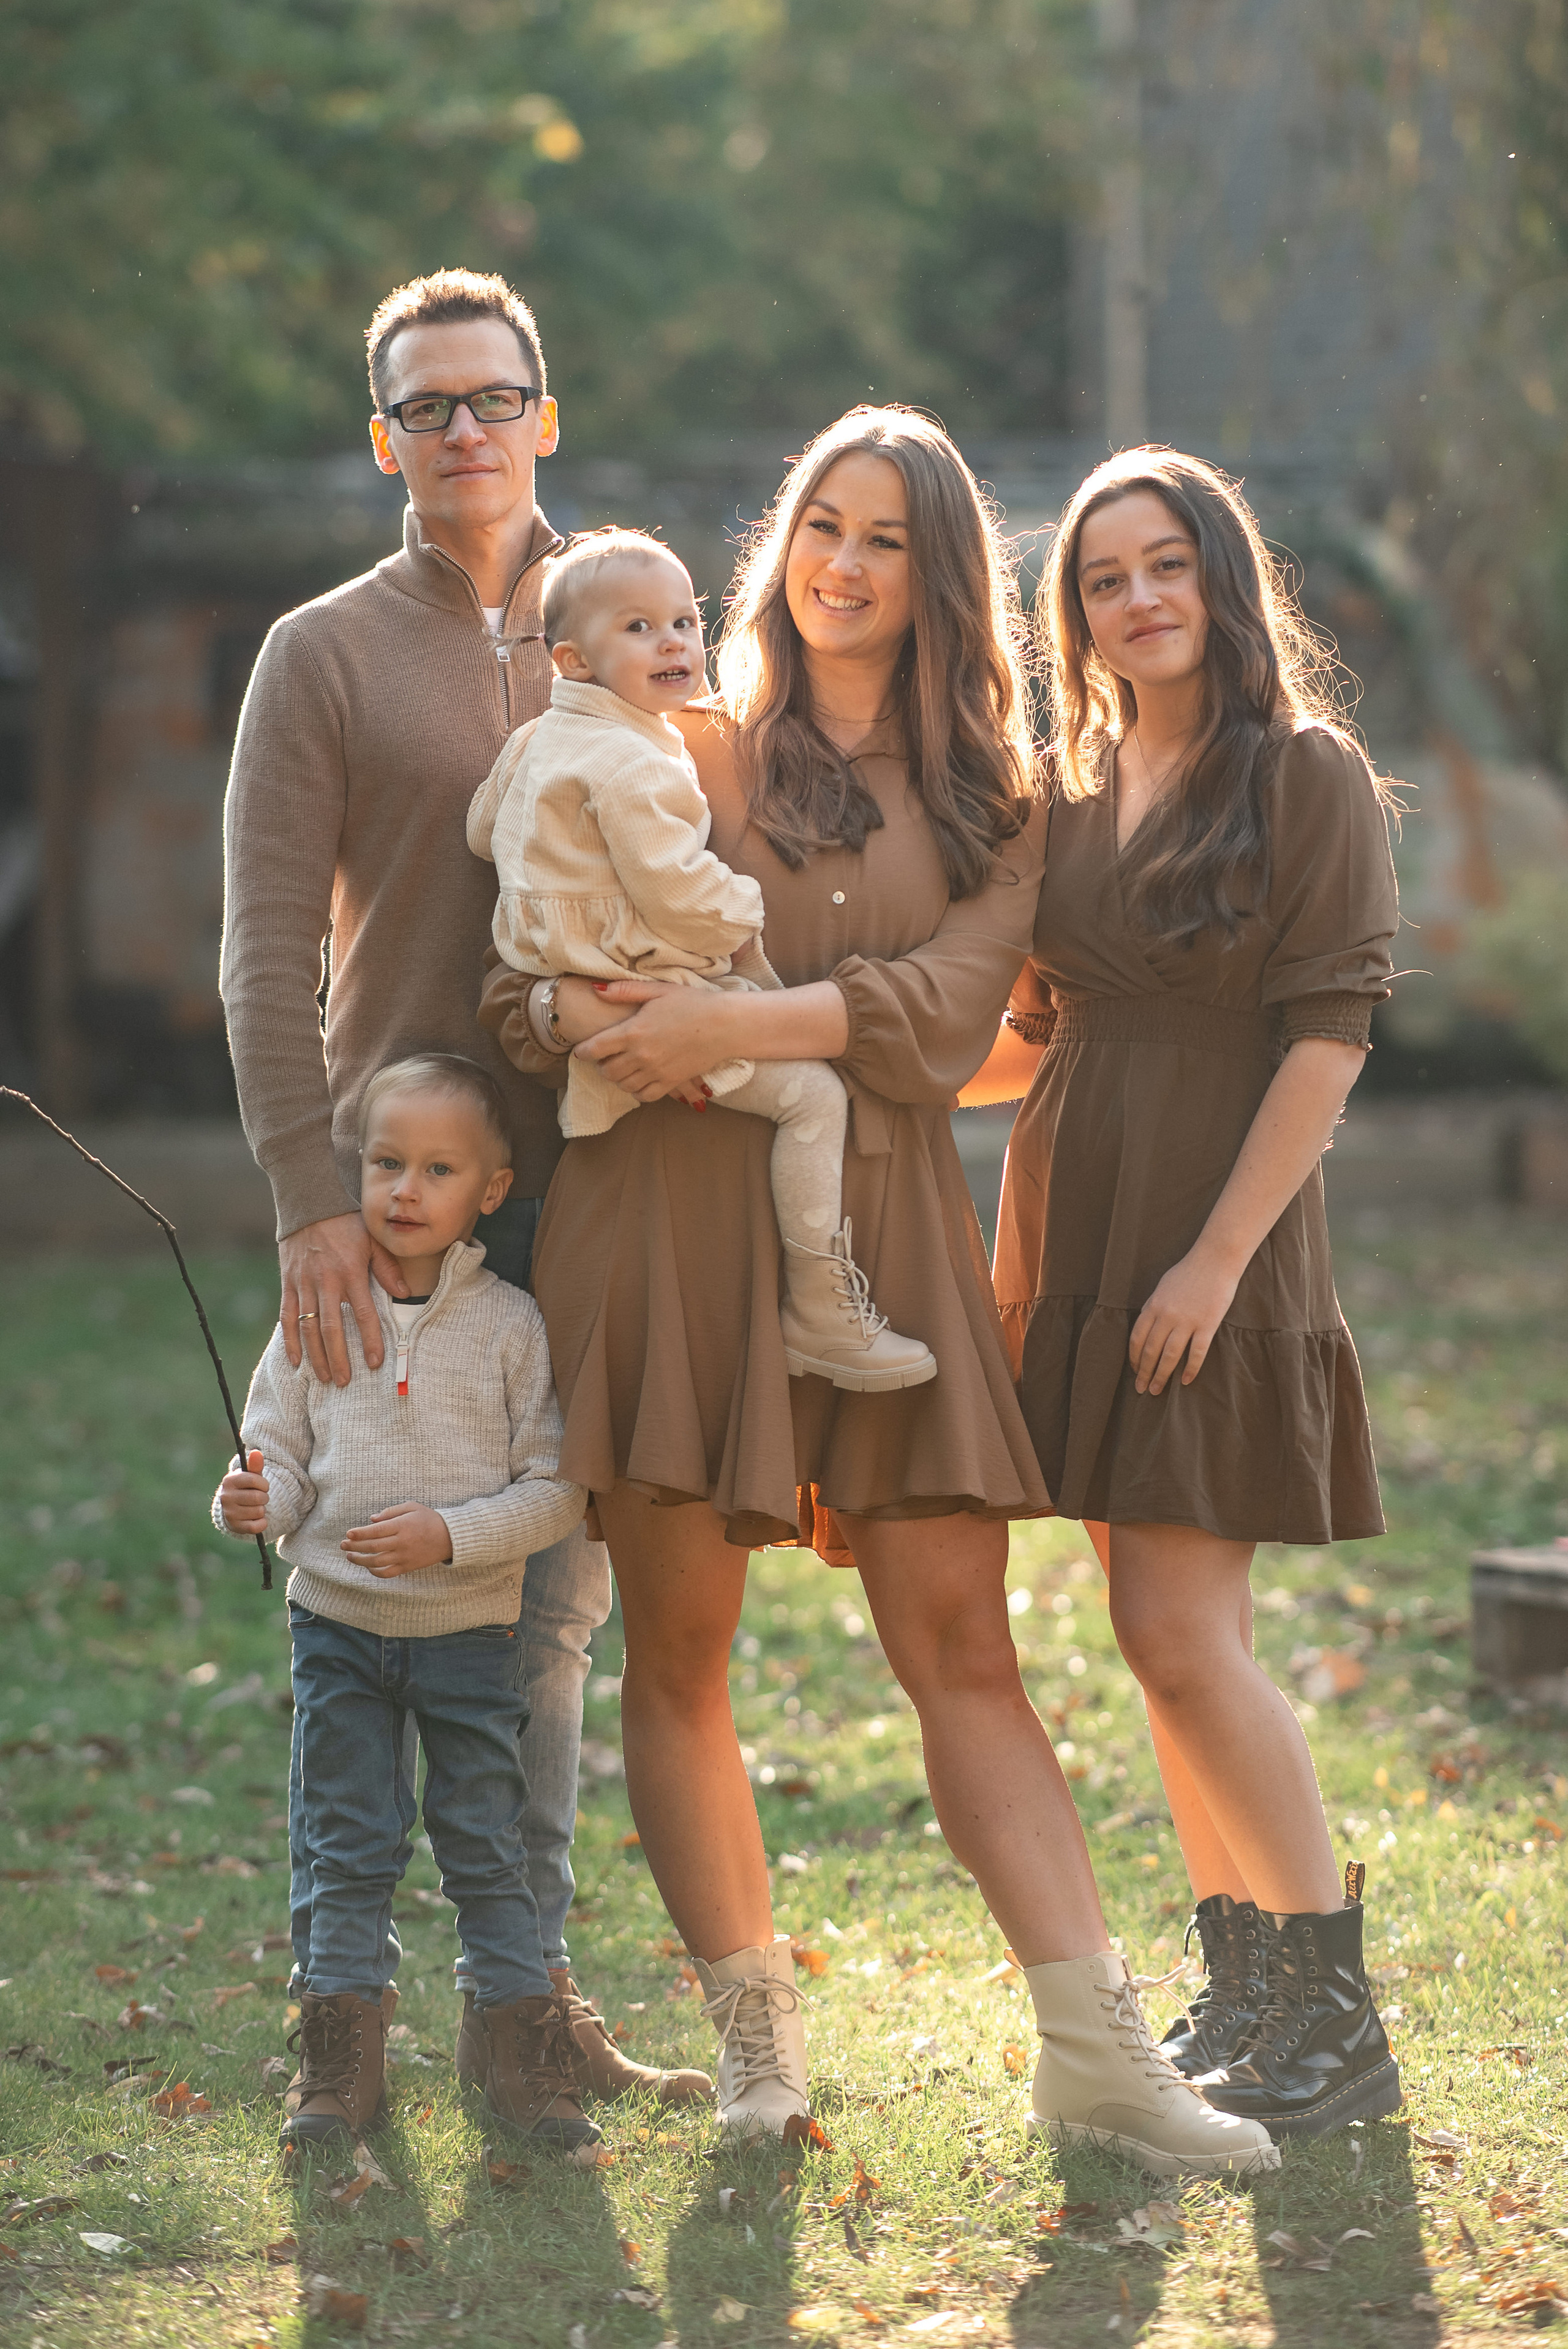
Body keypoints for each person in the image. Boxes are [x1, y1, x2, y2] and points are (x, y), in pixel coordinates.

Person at [478, 407, 1278, 2177]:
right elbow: (529, 959)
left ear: (940, 574)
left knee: (962, 1642)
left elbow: (942, 1012)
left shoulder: (1003, 799)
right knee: (682, 1649)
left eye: (888, 537)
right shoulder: (677, 736)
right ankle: (755, 2035)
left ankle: (1100, 2054)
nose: (843, 563)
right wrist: (570, 1019)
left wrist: (733, 1023)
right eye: (820, 525)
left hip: (886, 1246)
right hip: (666, 1226)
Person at [219, 267, 704, 2111]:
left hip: (606, 1169)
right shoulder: (323, 652)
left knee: (553, 1599)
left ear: (547, 416)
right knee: (354, 1591)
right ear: (386, 443)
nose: (467, 428)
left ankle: (527, 2008)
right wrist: (304, 1195)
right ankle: (341, 2012)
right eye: (429, 406)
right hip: (400, 1193)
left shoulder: (635, 615)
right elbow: (266, 952)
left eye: (496, 396)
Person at [986, 446, 1403, 2141]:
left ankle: (1333, 2001)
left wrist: (1215, 1266)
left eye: (1167, 566)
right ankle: (1245, 1987)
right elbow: (1027, 1030)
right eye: (1103, 577)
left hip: (1206, 1249)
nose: (1136, 599)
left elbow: (1330, 1038)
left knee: (1179, 1627)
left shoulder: (1305, 773)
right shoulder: (1065, 783)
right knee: (1158, 1645)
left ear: (1225, 582)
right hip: (1075, 1242)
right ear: (1071, 610)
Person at [214, 1056, 601, 2154]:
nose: (405, 1189)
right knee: (345, 1840)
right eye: (387, 1163)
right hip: (337, 1634)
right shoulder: (315, 1311)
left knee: (487, 1839)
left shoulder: (512, 1327)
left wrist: (449, 1535)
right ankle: (342, 2056)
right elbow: (281, 1451)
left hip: (470, 1639)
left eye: (438, 1168)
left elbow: (556, 1490)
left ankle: (525, 2053)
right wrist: (255, 1495)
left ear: (491, 1188)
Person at [469, 524, 934, 1390]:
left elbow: (478, 828)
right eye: (639, 628)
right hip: (646, 979)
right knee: (813, 1098)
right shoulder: (639, 763)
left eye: (685, 620)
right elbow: (677, 891)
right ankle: (822, 1309)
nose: (674, 641)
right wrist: (748, 909)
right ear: (571, 660)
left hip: (565, 968)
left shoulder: (535, 741)